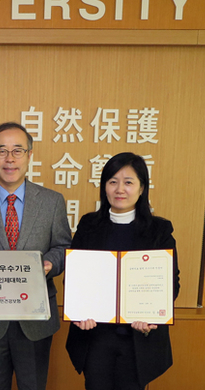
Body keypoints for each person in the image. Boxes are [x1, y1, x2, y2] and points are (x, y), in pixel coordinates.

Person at [0, 122, 71, 390]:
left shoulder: (52, 201)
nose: (10, 159)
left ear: (30, 155)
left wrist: (49, 264)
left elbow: (63, 246)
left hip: (36, 317)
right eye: (1, 151)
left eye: (18, 151)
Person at [65, 152, 180, 390]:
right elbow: (74, 278)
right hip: (95, 335)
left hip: (137, 339)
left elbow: (171, 284)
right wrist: (79, 312)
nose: (120, 189)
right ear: (104, 187)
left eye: (128, 182)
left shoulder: (159, 230)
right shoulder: (88, 225)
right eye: (113, 181)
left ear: (141, 188)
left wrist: (152, 315)